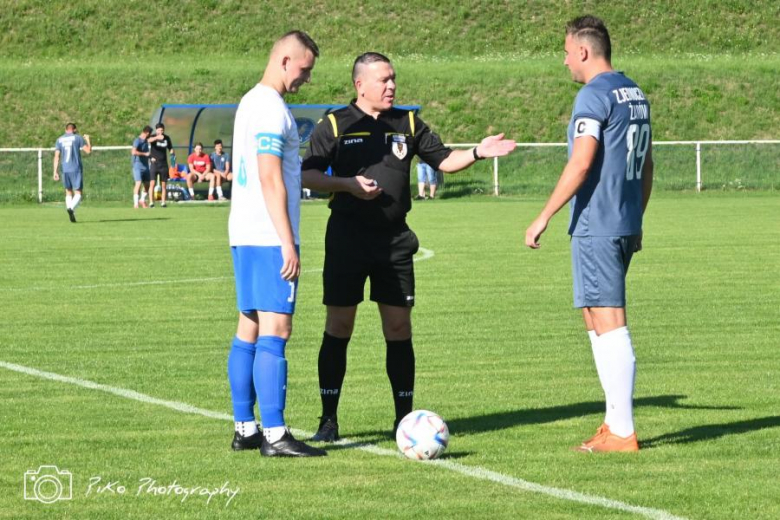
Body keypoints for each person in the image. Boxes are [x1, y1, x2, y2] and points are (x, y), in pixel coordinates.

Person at [301, 52, 517, 442]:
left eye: (393, 79)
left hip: (395, 240)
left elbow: (445, 159)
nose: (391, 86)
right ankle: (328, 420)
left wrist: (479, 152)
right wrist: (348, 185)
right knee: (339, 326)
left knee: (399, 328)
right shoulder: (335, 123)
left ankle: (405, 420)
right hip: (347, 239)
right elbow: (310, 175)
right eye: (383, 80)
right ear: (359, 84)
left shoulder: (408, 122)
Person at [524, 15, 654, 453]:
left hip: (598, 223)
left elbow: (581, 163)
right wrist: (637, 217)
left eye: (565, 52)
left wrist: (542, 215)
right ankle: (613, 421)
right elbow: (648, 165)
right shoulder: (633, 92)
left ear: (582, 50)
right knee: (594, 318)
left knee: (609, 321)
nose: (564, 61)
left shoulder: (593, 95)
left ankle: (622, 432)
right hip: (622, 221)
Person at [226, 30, 325, 457]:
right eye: (304, 69)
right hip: (268, 236)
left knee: (248, 325)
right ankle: (275, 433)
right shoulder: (270, 108)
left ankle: (245, 427)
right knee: (277, 329)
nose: (306, 78)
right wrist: (288, 242)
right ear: (285, 59)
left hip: (243, 232)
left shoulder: (249, 101)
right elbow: (270, 176)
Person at [53, 122, 91, 223]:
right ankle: (71, 209)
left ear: (66, 130)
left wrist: (55, 171)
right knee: (78, 192)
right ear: (74, 130)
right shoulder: (77, 138)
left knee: (68, 191)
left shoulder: (59, 140)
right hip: (75, 168)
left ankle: (70, 211)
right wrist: (87, 140)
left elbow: (56, 156)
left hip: (65, 169)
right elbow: (88, 151)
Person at [147, 123, 174, 207]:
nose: (160, 132)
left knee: (164, 184)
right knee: (152, 183)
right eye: (159, 130)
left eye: (162, 130)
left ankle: (163, 202)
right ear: (156, 130)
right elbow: (148, 140)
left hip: (163, 164)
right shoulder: (153, 136)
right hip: (154, 164)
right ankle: (151, 202)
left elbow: (170, 148)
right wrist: (156, 138)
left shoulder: (167, 138)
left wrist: (172, 152)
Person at [131, 126, 152, 208]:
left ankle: (142, 200)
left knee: (147, 184)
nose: (150, 136)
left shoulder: (146, 141)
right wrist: (145, 154)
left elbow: (147, 153)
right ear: (147, 133)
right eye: (149, 134)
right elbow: (133, 152)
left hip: (146, 166)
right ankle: (135, 204)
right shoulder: (137, 141)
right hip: (137, 165)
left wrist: (151, 158)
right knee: (138, 183)